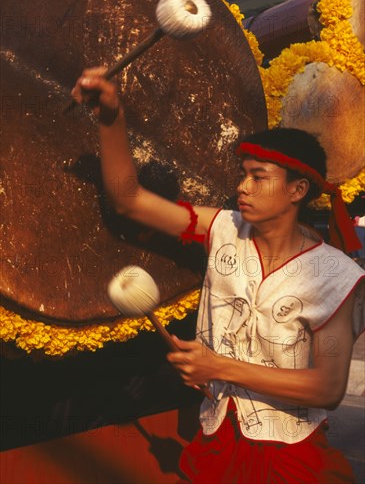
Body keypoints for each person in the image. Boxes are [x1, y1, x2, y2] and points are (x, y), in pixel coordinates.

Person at [72, 68, 364, 483]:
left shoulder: (335, 276)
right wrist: (111, 117)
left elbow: (327, 389)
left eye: (258, 177)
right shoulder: (222, 228)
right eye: (243, 174)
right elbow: (129, 201)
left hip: (291, 456)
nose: (243, 186)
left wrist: (218, 366)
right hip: (217, 439)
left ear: (298, 190)